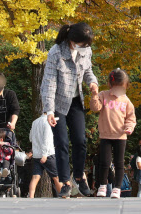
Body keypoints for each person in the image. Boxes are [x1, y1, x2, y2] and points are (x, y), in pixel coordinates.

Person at [40, 22, 98, 198]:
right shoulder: (56, 52)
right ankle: (65, 182)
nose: (85, 47)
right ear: (73, 40)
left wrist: (93, 84)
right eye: (83, 44)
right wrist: (49, 111)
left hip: (75, 100)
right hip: (57, 103)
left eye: (87, 45)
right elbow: (49, 83)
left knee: (80, 140)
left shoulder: (86, 51)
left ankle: (79, 177)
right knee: (62, 142)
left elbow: (88, 70)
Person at [90, 68, 136, 199]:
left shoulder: (126, 101)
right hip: (105, 135)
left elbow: (131, 118)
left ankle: (117, 187)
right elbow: (95, 108)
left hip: (121, 136)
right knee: (104, 162)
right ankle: (102, 185)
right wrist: (94, 95)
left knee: (119, 163)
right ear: (110, 85)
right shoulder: (104, 95)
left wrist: (129, 127)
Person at [28, 114, 63, 198]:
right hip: (48, 154)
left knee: (35, 177)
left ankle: (31, 197)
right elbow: (47, 139)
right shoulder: (47, 122)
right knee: (56, 177)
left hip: (36, 154)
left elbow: (30, 138)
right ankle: (63, 196)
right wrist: (44, 154)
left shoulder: (34, 122)